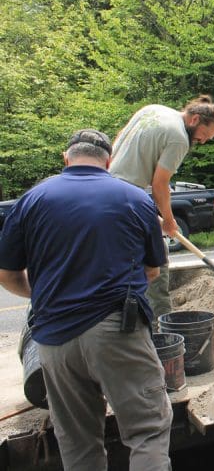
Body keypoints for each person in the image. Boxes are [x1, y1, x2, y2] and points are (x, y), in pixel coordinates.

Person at [0, 129, 172, 470]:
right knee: (147, 431)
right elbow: (154, 270)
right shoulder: (134, 198)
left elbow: (6, 274)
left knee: (78, 445)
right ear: (108, 162)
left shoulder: (32, 200)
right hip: (117, 333)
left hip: (54, 340)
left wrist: (44, 293)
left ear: (67, 158)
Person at [110, 95, 214, 318]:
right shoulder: (179, 137)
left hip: (109, 185)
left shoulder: (153, 109)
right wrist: (170, 222)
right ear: (195, 120)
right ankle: (159, 328)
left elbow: (120, 138)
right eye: (204, 135)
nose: (203, 141)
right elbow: (159, 184)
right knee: (157, 261)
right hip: (126, 198)